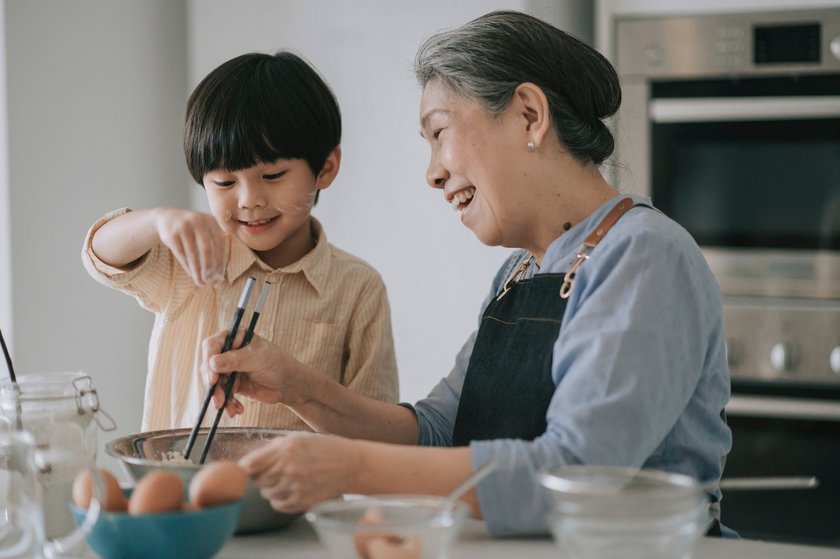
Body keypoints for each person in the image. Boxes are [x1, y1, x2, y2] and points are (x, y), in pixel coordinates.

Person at [201, 11, 733, 536]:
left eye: (439, 132)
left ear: (529, 115)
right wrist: (298, 389)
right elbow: (437, 432)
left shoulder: (643, 255)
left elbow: (575, 476)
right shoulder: (518, 274)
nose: (433, 173)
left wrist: (350, 467)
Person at [82, 51, 398, 432]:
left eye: (273, 175)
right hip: (184, 471)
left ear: (325, 168)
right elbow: (100, 255)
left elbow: (377, 429)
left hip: (303, 474)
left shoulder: (359, 288)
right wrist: (157, 221)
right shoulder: (192, 260)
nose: (249, 200)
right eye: (225, 182)